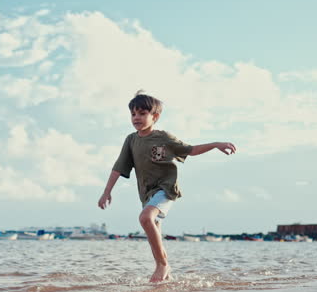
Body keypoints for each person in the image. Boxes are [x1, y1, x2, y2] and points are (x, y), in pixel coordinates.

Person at [98, 91, 236, 282]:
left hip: (166, 189)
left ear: (154, 116)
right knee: (154, 231)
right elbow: (118, 167)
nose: (136, 117)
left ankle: (163, 265)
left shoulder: (164, 138)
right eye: (133, 114)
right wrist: (107, 192)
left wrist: (215, 144)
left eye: (142, 113)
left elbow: (191, 150)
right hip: (146, 195)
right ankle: (166, 280)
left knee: (145, 218)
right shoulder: (131, 140)